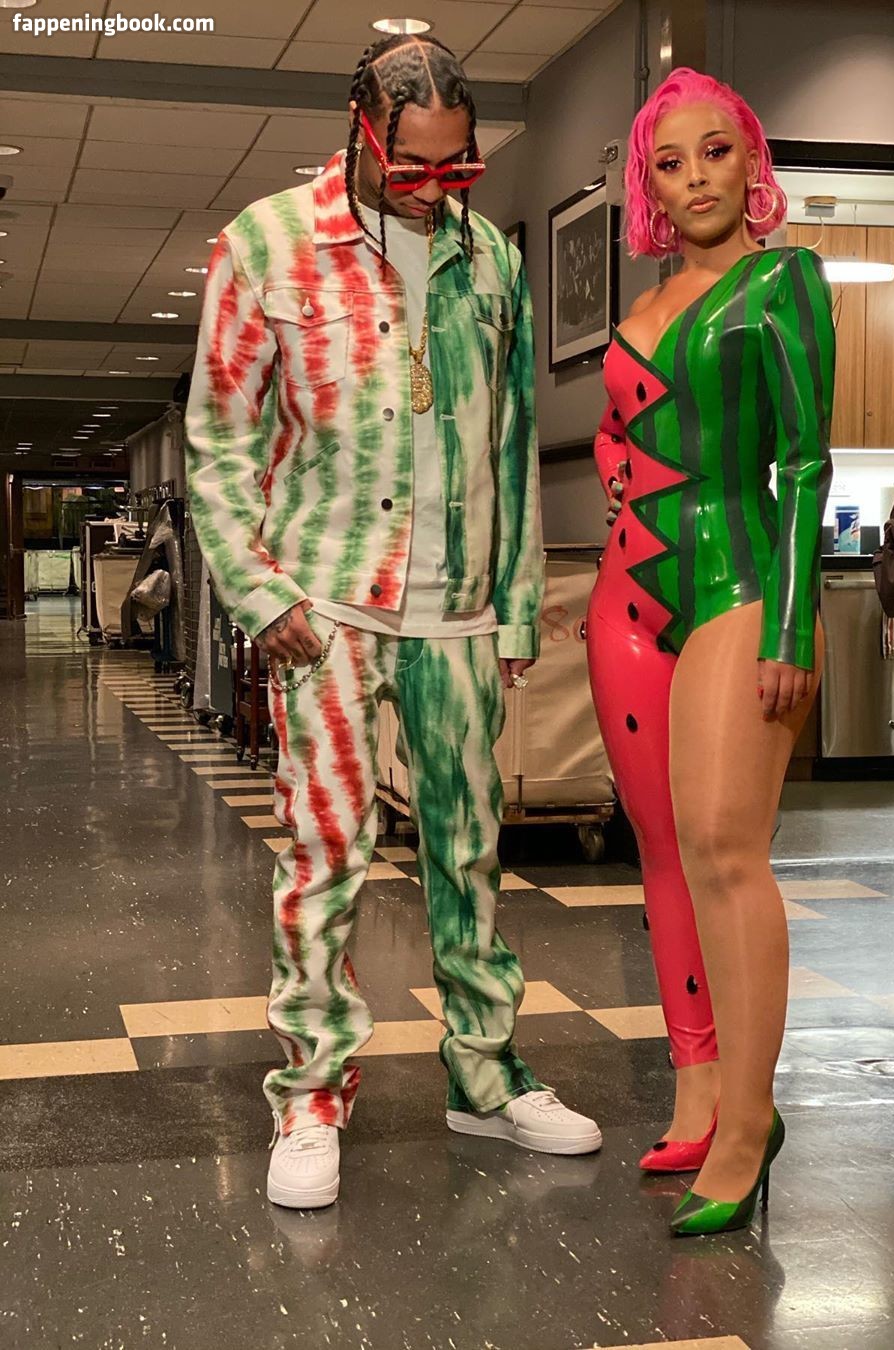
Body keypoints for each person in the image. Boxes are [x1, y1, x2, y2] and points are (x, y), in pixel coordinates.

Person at [185, 32, 601, 1211]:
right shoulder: (267, 243)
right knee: (326, 856)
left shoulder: (490, 257)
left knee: (470, 851)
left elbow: (512, 443)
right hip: (326, 606)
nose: (434, 188)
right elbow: (219, 441)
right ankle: (312, 1092)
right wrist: (262, 594)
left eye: (458, 167)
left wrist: (514, 605)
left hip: (459, 609)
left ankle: (485, 1076)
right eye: (413, 166)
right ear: (362, 131)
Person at [585, 68, 834, 1236]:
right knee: (664, 852)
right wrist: (613, 467)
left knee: (728, 851)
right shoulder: (647, 301)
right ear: (650, 184)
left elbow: (805, 462)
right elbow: (616, 433)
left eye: (715, 152)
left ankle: (748, 1119)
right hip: (625, 600)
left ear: (752, 160)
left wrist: (791, 621)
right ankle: (695, 1092)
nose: (694, 179)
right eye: (669, 162)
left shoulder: (787, 280)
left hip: (740, 583)